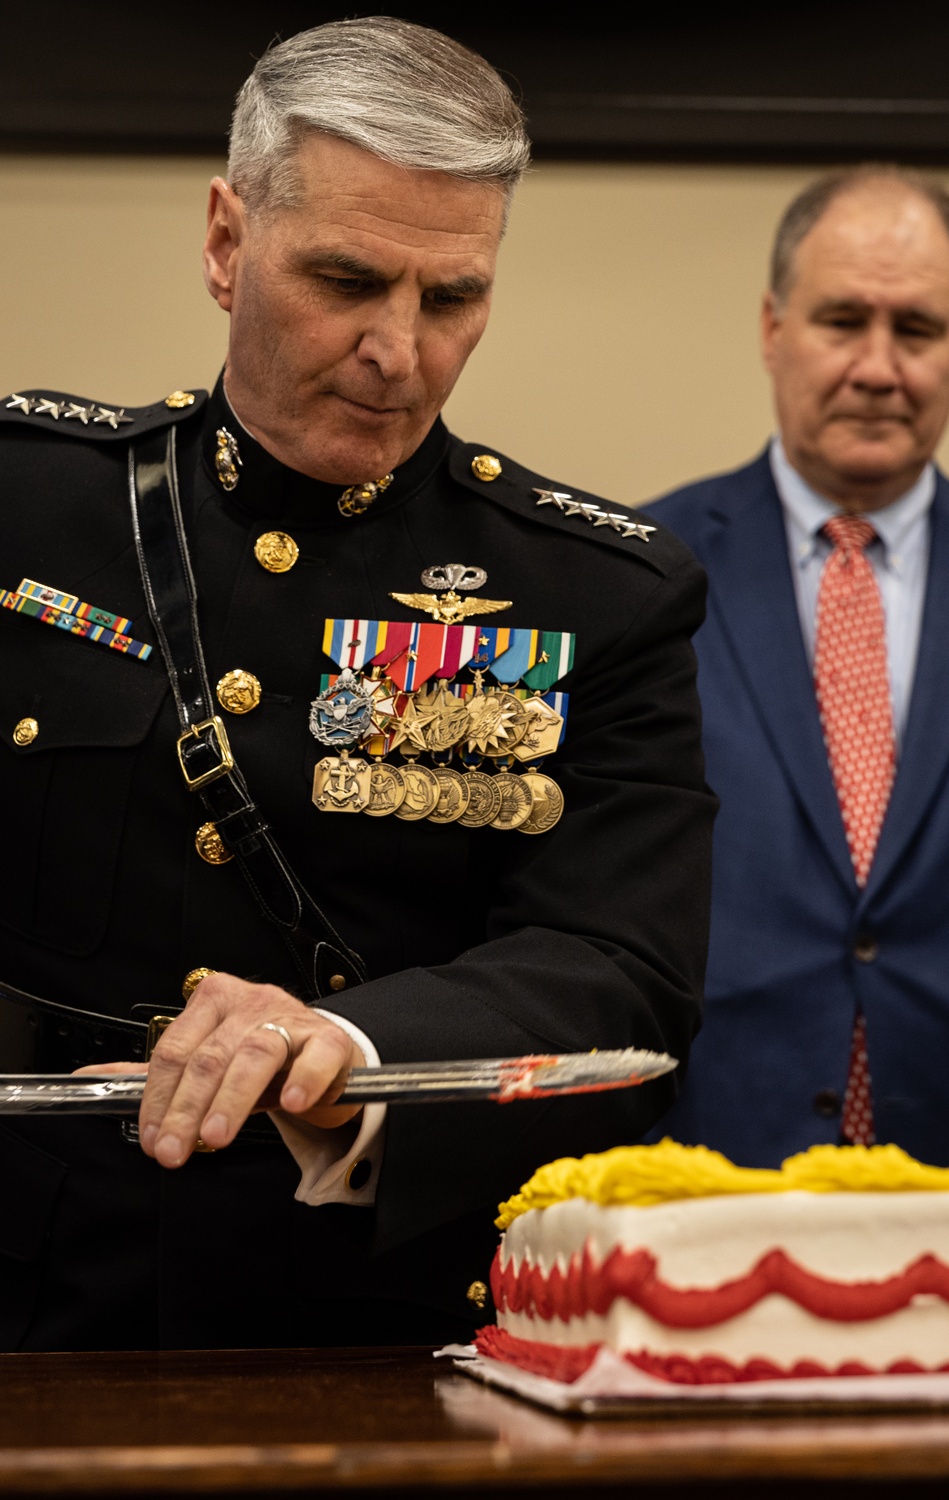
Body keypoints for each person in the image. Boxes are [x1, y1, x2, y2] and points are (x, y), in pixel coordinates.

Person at [0, 18, 714, 1352]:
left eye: (452, 299)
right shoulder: (28, 508)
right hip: (36, 1278)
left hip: (369, 1309)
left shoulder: (597, 595)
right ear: (225, 242)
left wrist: (351, 1047)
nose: (401, 352)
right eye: (345, 280)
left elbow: (622, 978)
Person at [645, 165, 949, 1172]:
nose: (878, 368)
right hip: (705, 1170)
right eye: (842, 320)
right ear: (771, 328)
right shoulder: (643, 572)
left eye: (917, 331)